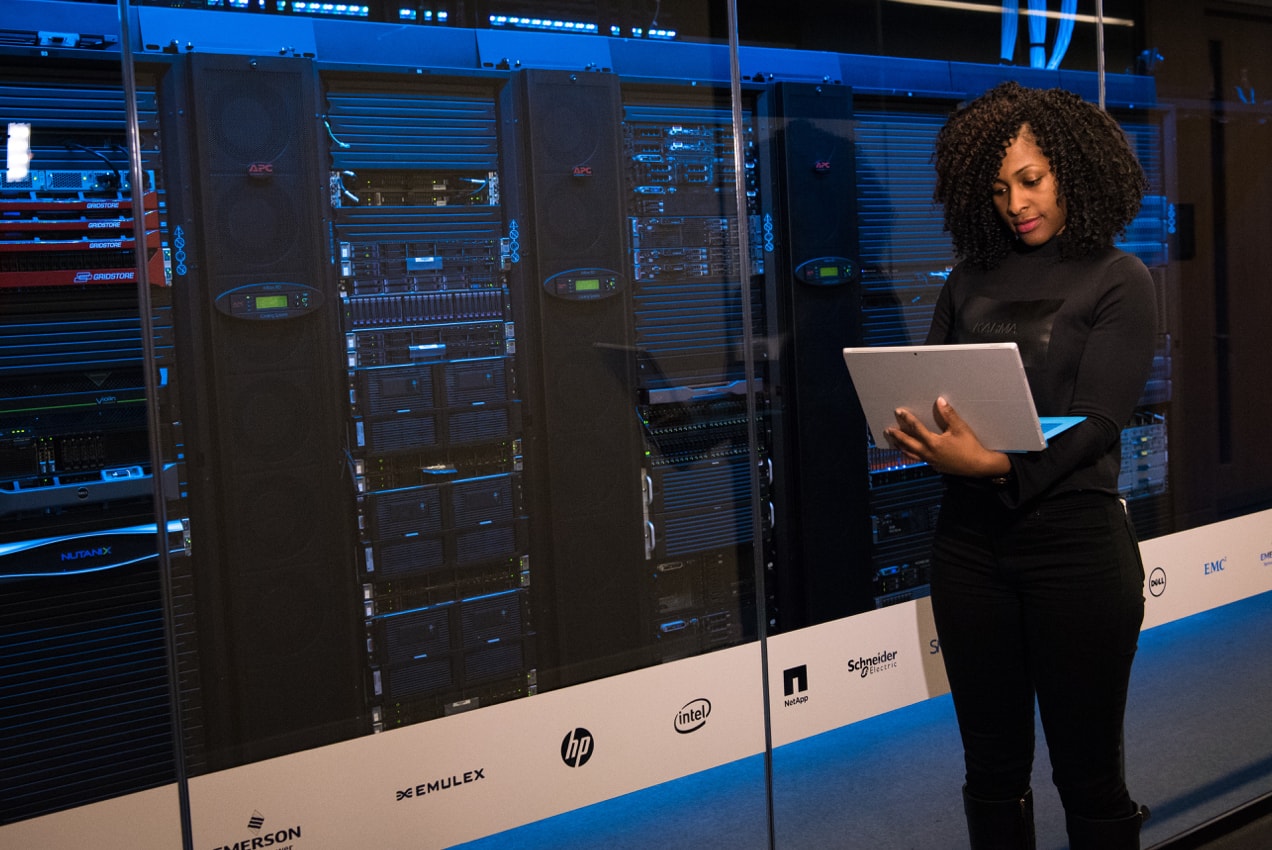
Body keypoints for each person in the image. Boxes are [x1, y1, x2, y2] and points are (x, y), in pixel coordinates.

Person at [883, 80, 1156, 849]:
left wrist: (997, 463)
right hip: (969, 551)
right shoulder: (967, 278)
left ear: (1074, 170)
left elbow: (1101, 421)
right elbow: (927, 387)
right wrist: (908, 429)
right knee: (991, 770)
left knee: (1088, 774)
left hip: (1076, 550)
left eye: (1031, 180)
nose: (1015, 203)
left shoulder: (1118, 278)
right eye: (999, 189)